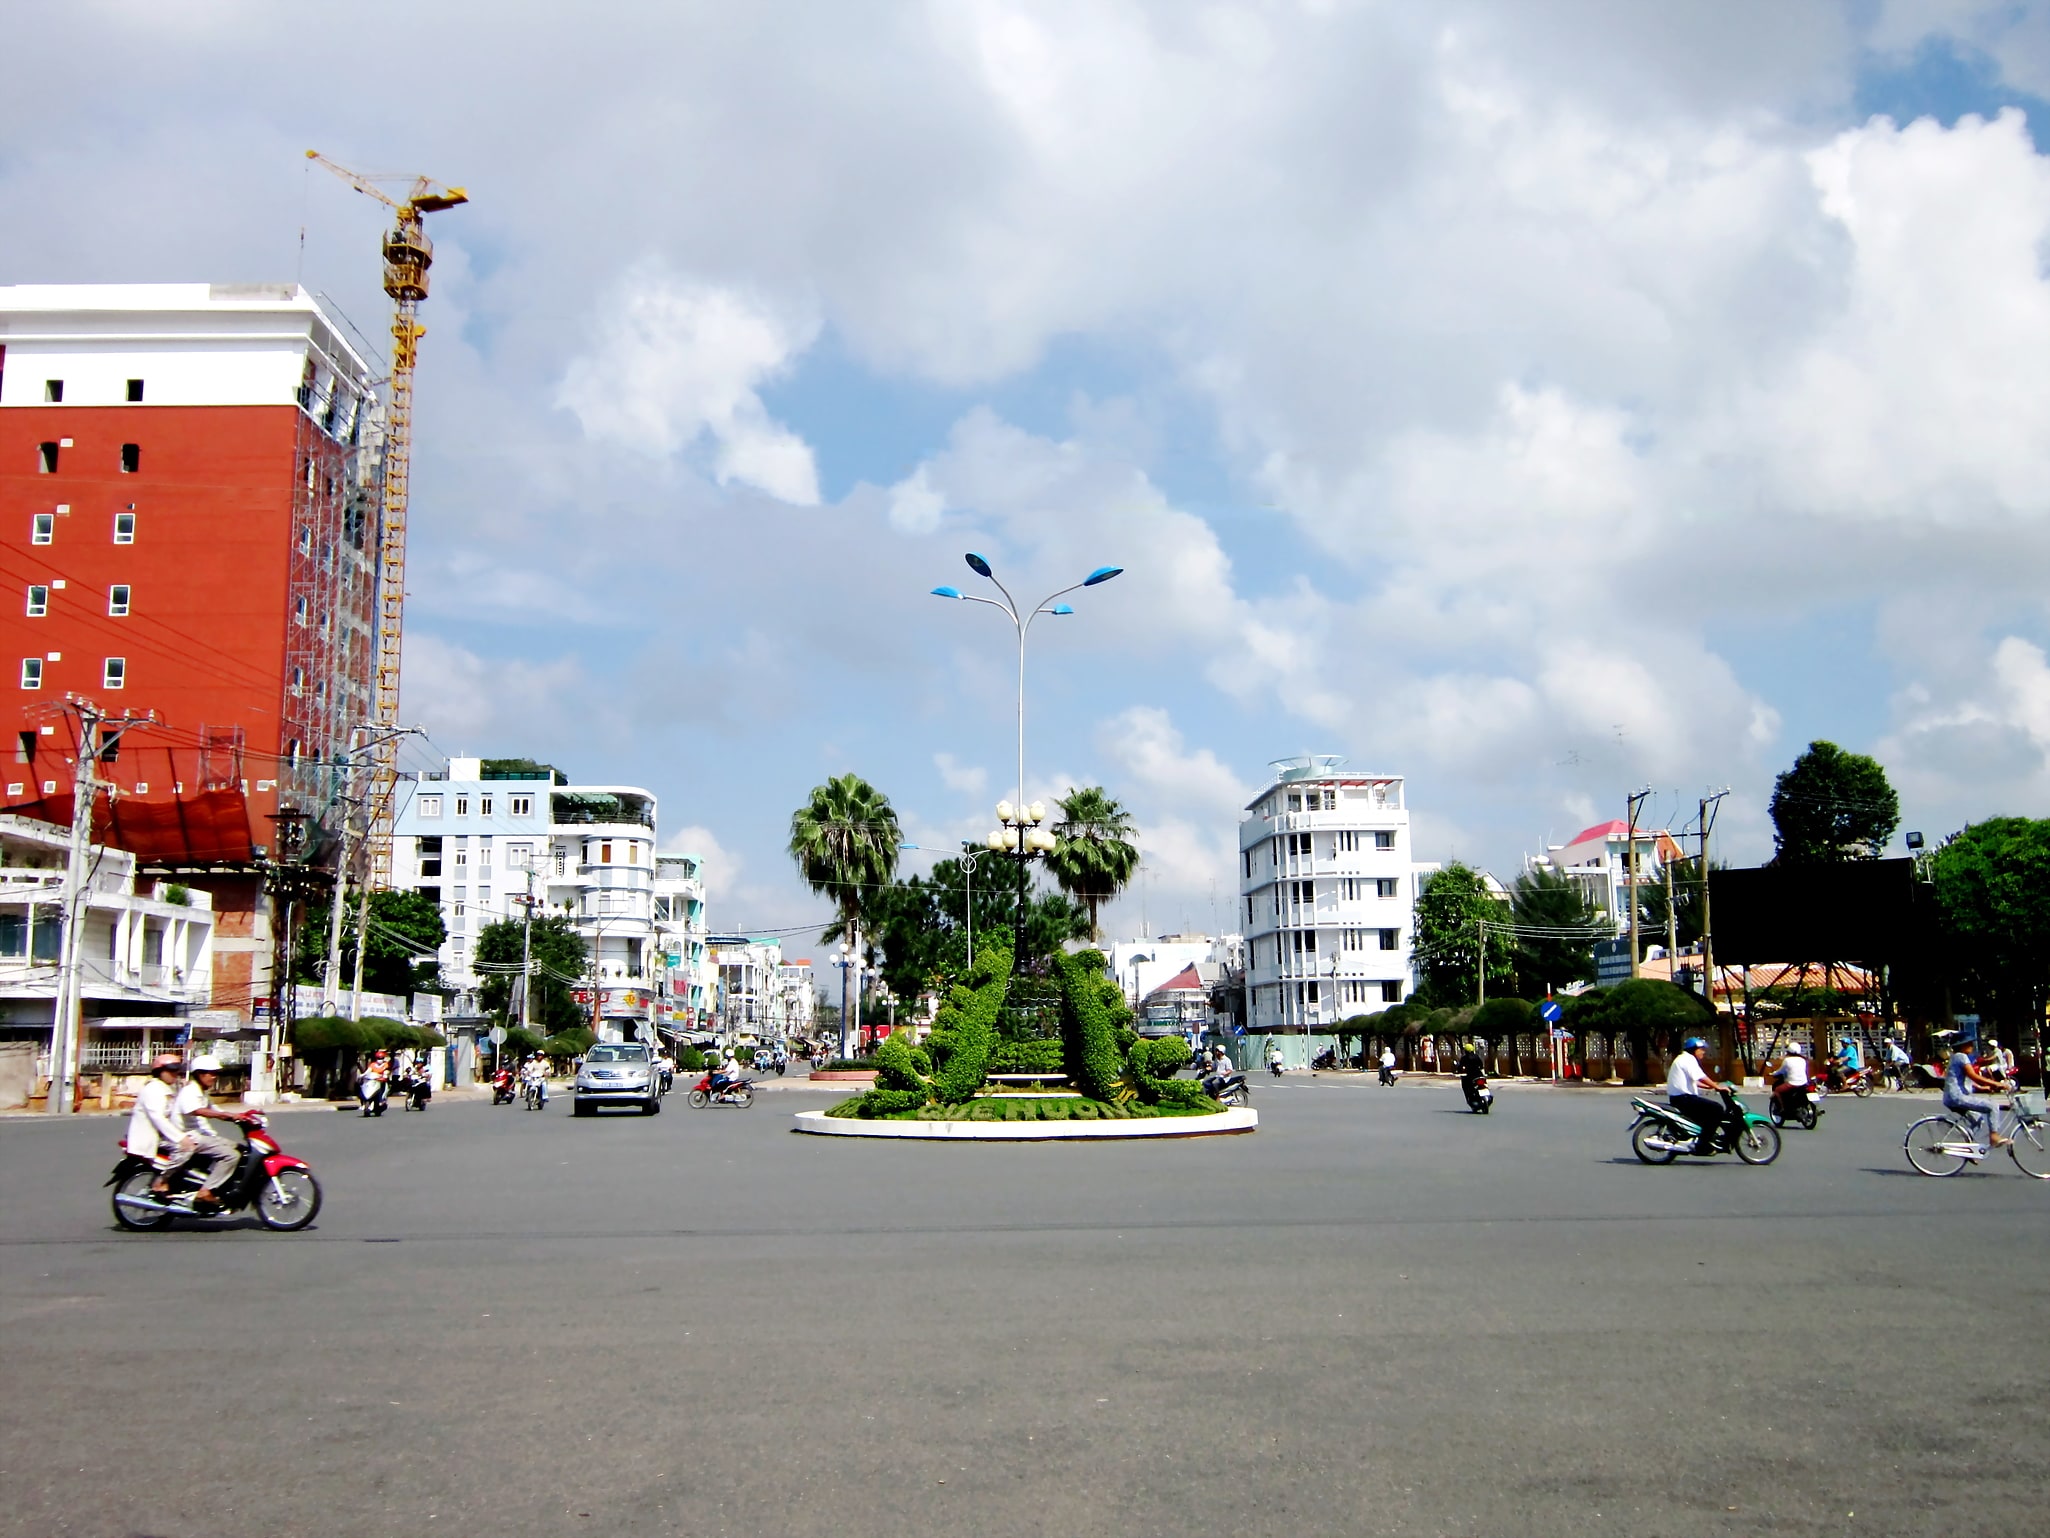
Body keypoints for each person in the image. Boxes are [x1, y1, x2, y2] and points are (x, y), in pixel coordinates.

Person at [161, 1055, 244, 1208]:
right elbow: (197, 1110)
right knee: (231, 1156)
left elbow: (214, 1109)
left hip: (197, 1135)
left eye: (215, 1073)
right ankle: (206, 1190)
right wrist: (225, 1115)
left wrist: (240, 1116)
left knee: (237, 1147)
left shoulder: (201, 1092)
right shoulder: (189, 1091)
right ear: (200, 1074)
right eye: (211, 1073)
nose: (214, 1077)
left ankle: (215, 1179)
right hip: (186, 1137)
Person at [126, 1054, 191, 1196]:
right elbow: (158, 1118)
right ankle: (162, 1180)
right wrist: (180, 1138)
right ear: (159, 1072)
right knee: (187, 1149)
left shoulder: (167, 1088)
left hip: (163, 1136)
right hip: (150, 1138)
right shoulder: (153, 1090)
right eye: (171, 1071)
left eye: (177, 1070)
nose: (175, 1074)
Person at [1667, 1037, 1732, 1155]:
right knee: (1717, 1109)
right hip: (1684, 1099)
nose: (1703, 1052)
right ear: (1693, 1050)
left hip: (1682, 1098)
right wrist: (1716, 1086)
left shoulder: (1682, 1058)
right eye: (1701, 1049)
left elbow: (1692, 1080)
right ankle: (1703, 1144)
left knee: (1707, 1114)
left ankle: (1700, 1138)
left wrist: (1708, 1086)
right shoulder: (1688, 1059)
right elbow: (1700, 1076)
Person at [1943, 1042, 2010, 1148]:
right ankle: (1994, 1137)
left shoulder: (1955, 1057)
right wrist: (1997, 1083)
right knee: (1992, 1106)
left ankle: (1967, 1147)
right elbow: (1973, 1076)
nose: (1972, 1046)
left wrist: (1983, 1087)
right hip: (1958, 1097)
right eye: (1969, 1044)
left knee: (1977, 1120)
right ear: (1962, 1046)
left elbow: (1965, 1079)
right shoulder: (1961, 1057)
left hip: (1951, 1097)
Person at [1769, 1041, 1811, 1117]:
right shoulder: (1803, 1060)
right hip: (1804, 1083)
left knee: (1777, 1090)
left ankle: (1782, 1109)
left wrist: (1773, 1074)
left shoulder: (1787, 1060)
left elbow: (1781, 1071)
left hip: (1792, 1083)